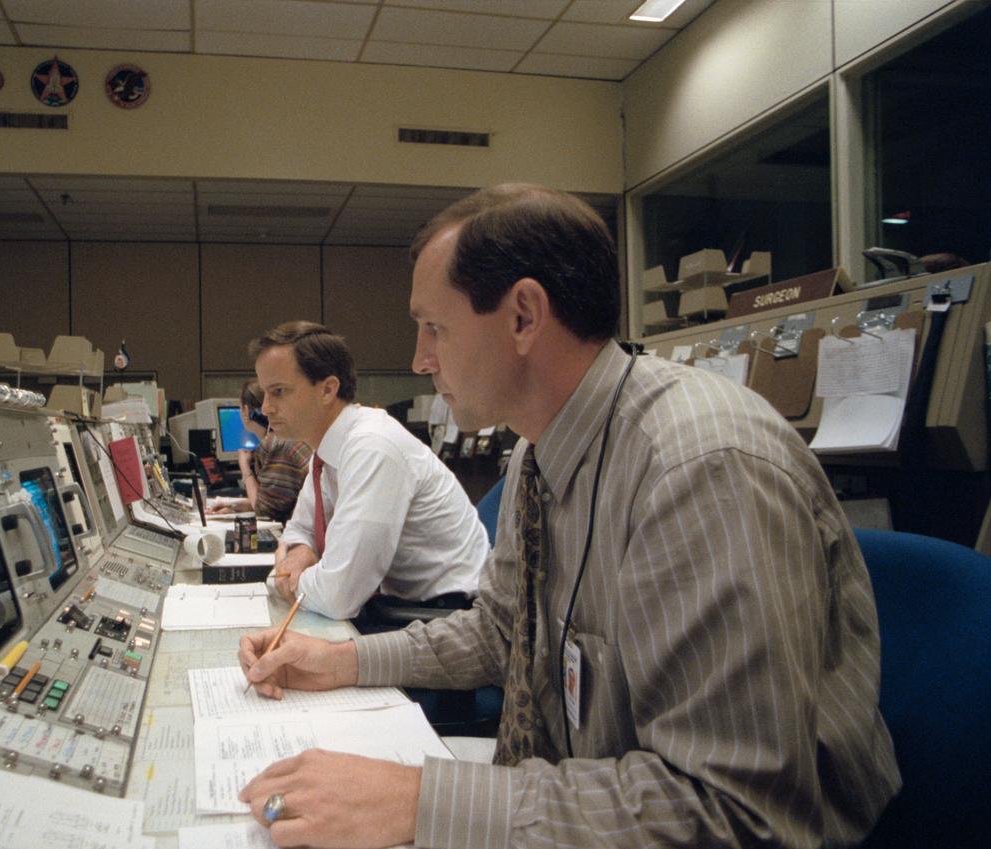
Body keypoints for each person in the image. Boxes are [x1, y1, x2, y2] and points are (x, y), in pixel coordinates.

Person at [237, 184, 900, 849]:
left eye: (434, 326)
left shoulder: (700, 467)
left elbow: (735, 809)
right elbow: (499, 632)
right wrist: (337, 661)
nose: (419, 358)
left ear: (523, 316)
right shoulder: (537, 452)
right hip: (586, 796)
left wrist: (420, 799)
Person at [250, 320, 488, 621]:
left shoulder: (372, 447)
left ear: (327, 390)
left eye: (278, 392)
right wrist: (300, 552)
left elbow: (339, 595)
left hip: (446, 616)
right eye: (265, 394)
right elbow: (300, 529)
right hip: (400, 607)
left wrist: (290, 579)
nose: (266, 408)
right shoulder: (324, 454)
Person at [207, 380, 312, 522]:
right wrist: (233, 506)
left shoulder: (277, 443)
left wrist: (245, 469)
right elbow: (273, 503)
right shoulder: (289, 435)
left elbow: (265, 512)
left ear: (245, 411)